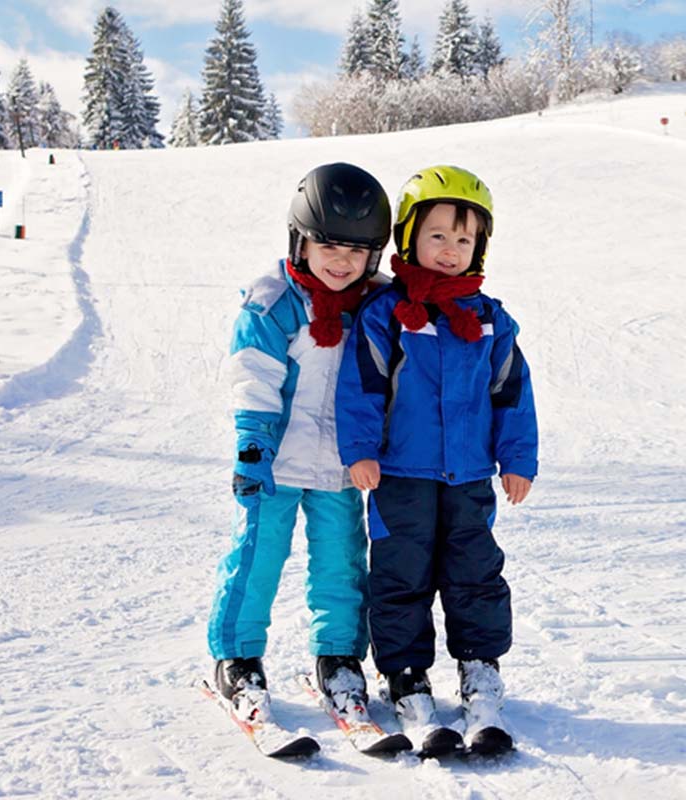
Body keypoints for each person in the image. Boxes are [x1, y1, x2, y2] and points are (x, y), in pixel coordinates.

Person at [338, 165, 537, 758]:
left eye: (464, 239)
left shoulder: (491, 319)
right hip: (401, 475)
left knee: (475, 573)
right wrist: (361, 451)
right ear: (409, 239)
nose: (451, 250)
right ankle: (406, 677)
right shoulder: (389, 315)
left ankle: (481, 671)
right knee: (401, 575)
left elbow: (512, 393)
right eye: (438, 236)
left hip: (470, 477)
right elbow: (363, 387)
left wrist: (517, 457)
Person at [208, 163, 391, 727]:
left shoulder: (375, 304)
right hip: (277, 464)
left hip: (341, 466)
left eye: (356, 251)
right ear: (300, 240)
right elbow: (254, 378)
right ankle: (236, 658)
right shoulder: (274, 303)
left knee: (341, 564)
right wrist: (252, 449)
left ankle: (338, 658)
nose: (341, 261)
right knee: (258, 558)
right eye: (328, 245)